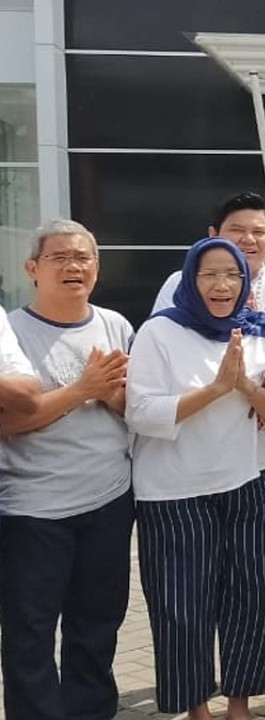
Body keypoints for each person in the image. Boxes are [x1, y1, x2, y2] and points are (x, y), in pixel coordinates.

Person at [153, 191, 265, 694]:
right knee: (204, 575)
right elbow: (167, 359)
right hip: (198, 462)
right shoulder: (179, 286)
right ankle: (200, 676)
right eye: (237, 230)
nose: (249, 239)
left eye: (259, 232)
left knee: (262, 564)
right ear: (212, 237)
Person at [126, 237, 265, 720]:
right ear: (190, 280)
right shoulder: (160, 332)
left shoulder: (261, 332)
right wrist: (217, 388)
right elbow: (141, 412)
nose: (222, 285)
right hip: (175, 491)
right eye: (209, 274)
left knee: (255, 596)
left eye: (233, 275)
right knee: (182, 607)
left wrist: (247, 387)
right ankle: (196, 708)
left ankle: (239, 703)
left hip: (250, 480)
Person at [0, 220, 134, 720]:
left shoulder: (115, 326)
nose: (73, 267)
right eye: (59, 257)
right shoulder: (10, 332)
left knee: (97, 627)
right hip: (33, 511)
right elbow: (11, 422)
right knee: (30, 633)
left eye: (83, 258)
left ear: (97, 269)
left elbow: (127, 404)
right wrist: (84, 390)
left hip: (109, 502)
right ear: (32, 268)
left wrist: (116, 395)